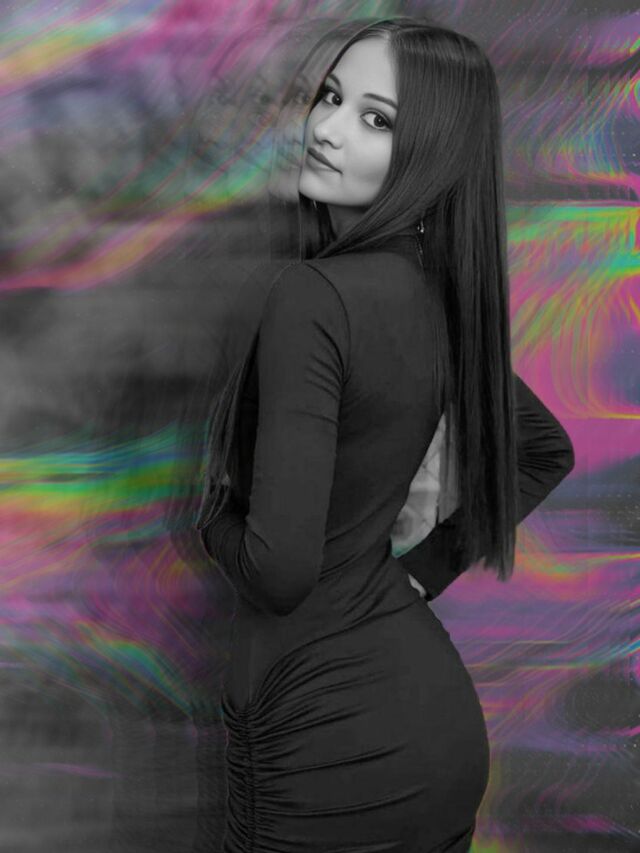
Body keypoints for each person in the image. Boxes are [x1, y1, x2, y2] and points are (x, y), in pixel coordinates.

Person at [195, 15, 575, 852]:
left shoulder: (312, 298)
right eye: (331, 97)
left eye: (376, 119)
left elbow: (279, 571)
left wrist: (212, 517)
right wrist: (422, 570)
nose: (328, 129)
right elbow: (547, 450)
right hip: (434, 731)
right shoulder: (438, 299)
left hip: (330, 737)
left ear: (432, 152)